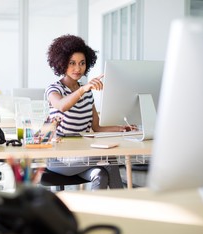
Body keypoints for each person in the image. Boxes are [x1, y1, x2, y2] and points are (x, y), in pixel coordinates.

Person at [45, 34, 136, 190]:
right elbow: (61, 105)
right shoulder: (54, 89)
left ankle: (95, 211)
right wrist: (83, 88)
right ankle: (123, 208)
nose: (78, 68)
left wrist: (121, 128)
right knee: (110, 159)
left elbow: (97, 127)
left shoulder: (87, 93)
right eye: (72, 63)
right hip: (59, 159)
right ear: (62, 63)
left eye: (82, 63)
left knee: (100, 174)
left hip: (83, 156)